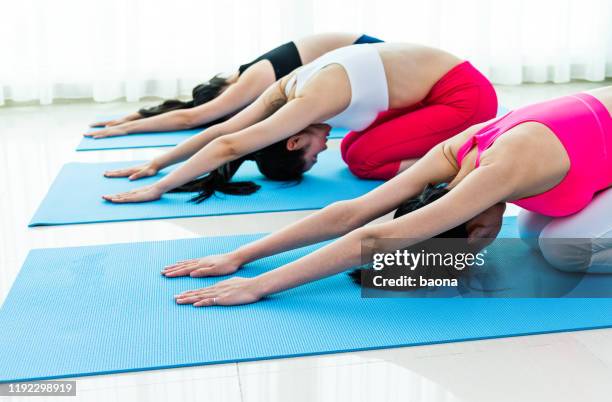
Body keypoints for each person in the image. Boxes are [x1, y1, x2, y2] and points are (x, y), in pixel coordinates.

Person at [161, 87, 612, 307]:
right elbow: (352, 213)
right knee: (538, 231)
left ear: (475, 230)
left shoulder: (493, 171)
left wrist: (261, 284)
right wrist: (242, 255)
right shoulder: (462, 152)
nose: (486, 247)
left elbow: (378, 235)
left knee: (563, 248)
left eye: (475, 249)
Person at [101, 42, 497, 203]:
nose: (320, 150)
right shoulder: (285, 89)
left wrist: (160, 185)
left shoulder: (311, 99)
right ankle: (452, 150)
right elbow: (222, 130)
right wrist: (158, 161)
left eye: (311, 155)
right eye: (313, 158)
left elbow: (230, 144)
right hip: (435, 93)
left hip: (464, 96)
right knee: (352, 150)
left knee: (362, 161)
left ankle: (467, 159)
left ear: (293, 141)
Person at [85, 33, 384, 138]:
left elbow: (194, 116)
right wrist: (129, 117)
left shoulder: (255, 77)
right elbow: (189, 109)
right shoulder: (256, 71)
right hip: (368, 61)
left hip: (376, 59)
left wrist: (123, 129)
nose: (231, 108)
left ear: (223, 90)